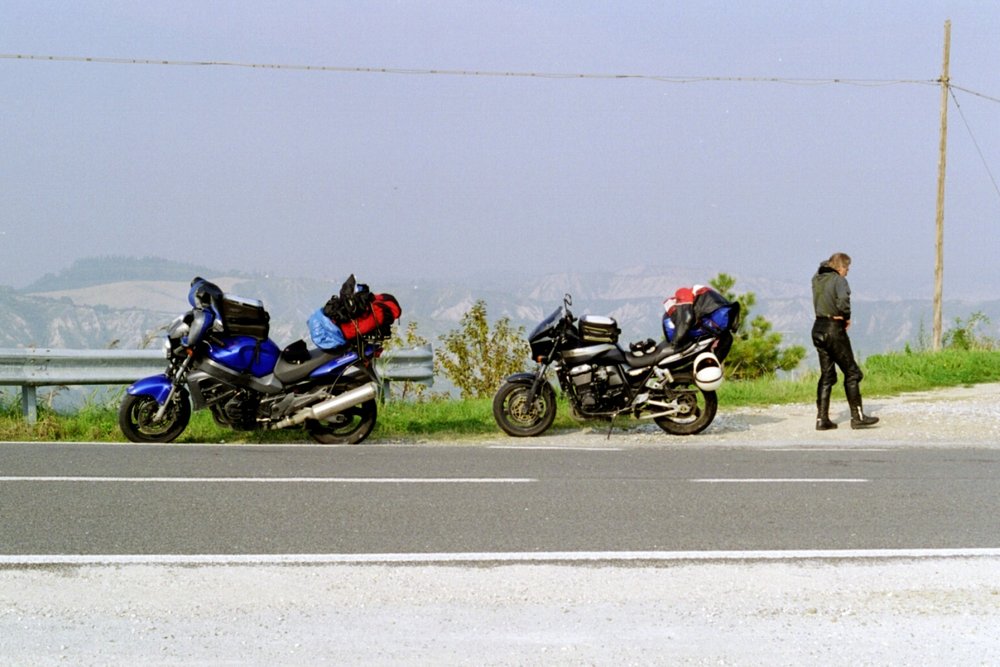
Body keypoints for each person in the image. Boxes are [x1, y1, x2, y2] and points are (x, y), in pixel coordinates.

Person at [811, 252, 879, 430]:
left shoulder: (817, 278)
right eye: (847, 268)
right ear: (840, 267)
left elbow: (823, 269)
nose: (847, 271)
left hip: (818, 328)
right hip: (834, 328)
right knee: (853, 373)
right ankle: (858, 417)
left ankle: (822, 419)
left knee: (827, 375)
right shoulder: (839, 280)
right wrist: (846, 317)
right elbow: (843, 301)